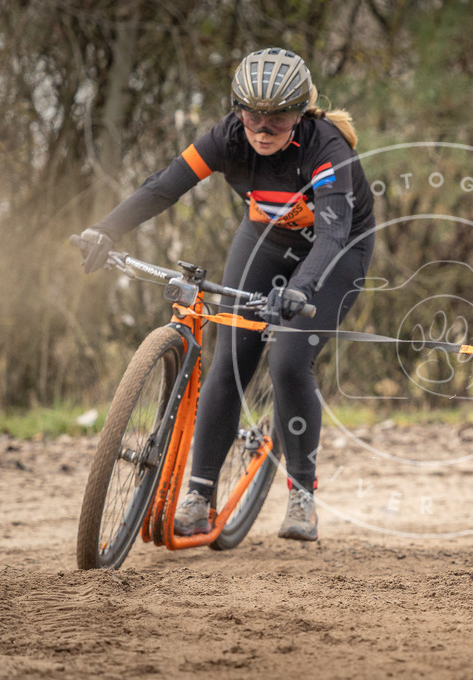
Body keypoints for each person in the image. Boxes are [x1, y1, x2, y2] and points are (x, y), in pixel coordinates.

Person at [76, 47, 376, 541]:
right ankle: (198, 495)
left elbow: (332, 235)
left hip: (337, 251)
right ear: (238, 111)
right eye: (253, 115)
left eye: (277, 118)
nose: (262, 128)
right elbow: (163, 187)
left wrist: (300, 289)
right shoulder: (226, 138)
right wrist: (105, 229)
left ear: (299, 114)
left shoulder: (327, 149)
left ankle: (302, 494)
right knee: (230, 362)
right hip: (266, 239)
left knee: (287, 362)